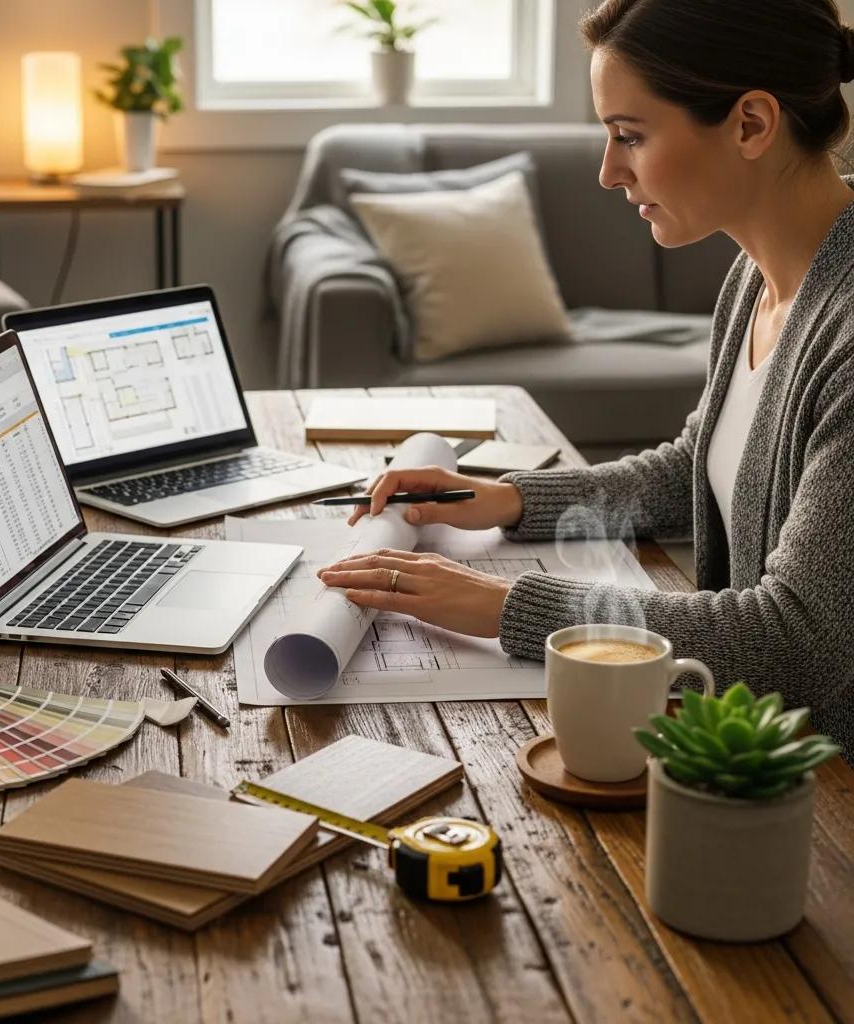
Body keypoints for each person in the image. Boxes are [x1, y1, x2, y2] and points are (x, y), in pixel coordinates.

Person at [317, 0, 854, 759]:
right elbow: (694, 467)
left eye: (630, 135)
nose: (608, 171)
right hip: (749, 749)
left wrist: (506, 606)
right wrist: (502, 497)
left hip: (821, 795)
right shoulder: (757, 277)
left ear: (751, 125)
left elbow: (795, 642)